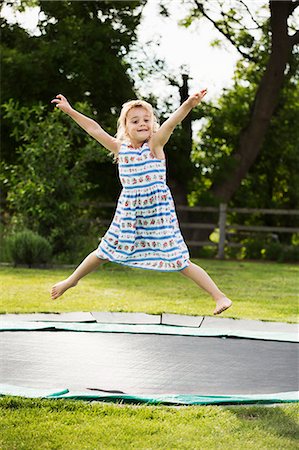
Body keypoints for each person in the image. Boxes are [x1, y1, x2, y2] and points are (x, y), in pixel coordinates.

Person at [50, 91, 232, 315]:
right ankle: (72, 280)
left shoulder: (155, 146)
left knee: (180, 260)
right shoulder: (120, 149)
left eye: (147, 120)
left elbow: (171, 123)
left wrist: (188, 105)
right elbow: (94, 129)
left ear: (152, 124)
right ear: (126, 127)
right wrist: (69, 110)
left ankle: (219, 296)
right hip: (129, 215)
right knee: (103, 251)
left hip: (157, 214)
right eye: (135, 121)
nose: (142, 124)